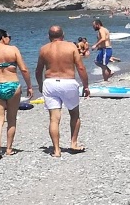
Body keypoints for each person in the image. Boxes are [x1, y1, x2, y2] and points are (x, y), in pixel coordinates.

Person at [35, 25, 90, 156]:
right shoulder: (71, 46)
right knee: (74, 114)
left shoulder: (44, 49)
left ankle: (57, 150)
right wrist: (86, 86)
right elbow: (81, 68)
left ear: (49, 36)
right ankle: (73, 143)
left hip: (50, 82)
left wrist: (40, 85)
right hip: (68, 82)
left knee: (54, 119)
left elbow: (38, 70)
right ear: (63, 35)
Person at [0, 29, 32, 161]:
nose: (9, 38)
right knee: (12, 119)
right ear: (3, 38)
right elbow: (24, 69)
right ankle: (9, 149)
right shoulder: (13, 49)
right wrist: (30, 86)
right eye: (8, 36)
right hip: (12, 85)